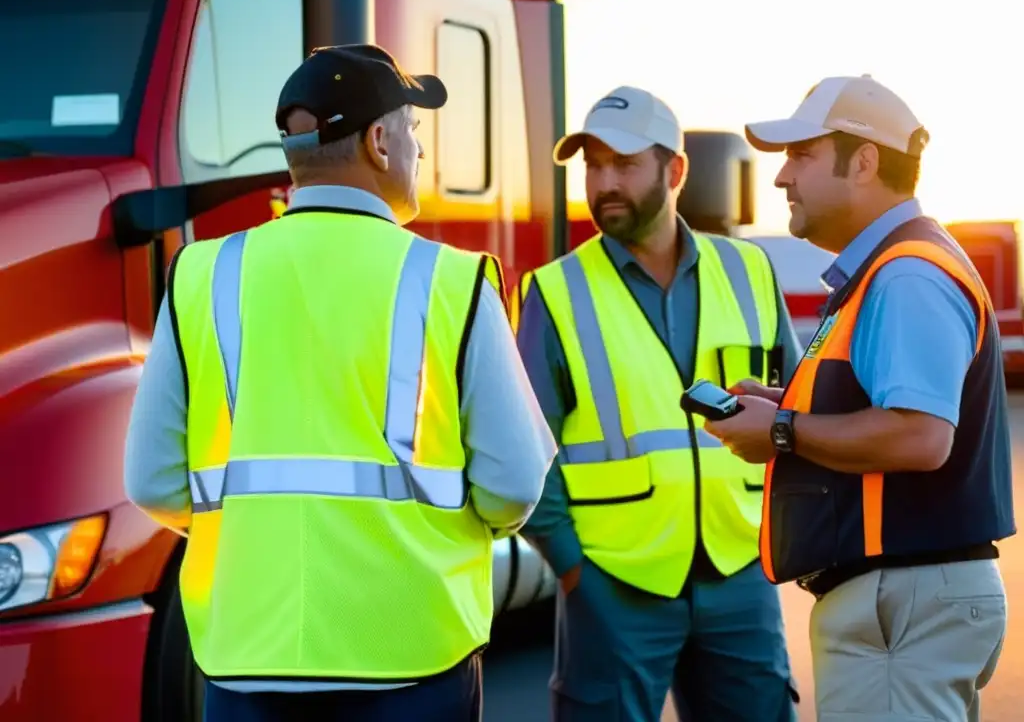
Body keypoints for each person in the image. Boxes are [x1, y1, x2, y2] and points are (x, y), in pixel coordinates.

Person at [123, 43, 556, 722]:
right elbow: (514, 487)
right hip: (414, 657)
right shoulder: (449, 280)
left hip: (245, 656)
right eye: (413, 132)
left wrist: (252, 529)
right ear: (380, 142)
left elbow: (152, 482)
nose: (419, 151)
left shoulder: (203, 275)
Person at [706, 74, 1014, 721]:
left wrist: (782, 430)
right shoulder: (892, 269)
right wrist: (782, 408)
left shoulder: (906, 274)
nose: (782, 177)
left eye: (801, 155)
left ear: (865, 162)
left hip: (902, 605)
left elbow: (919, 436)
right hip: (902, 604)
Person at [515, 85, 803, 722]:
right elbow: (524, 449)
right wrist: (571, 571)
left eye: (623, 163)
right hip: (613, 582)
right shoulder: (556, 292)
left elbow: (798, 409)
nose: (603, 182)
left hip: (739, 572)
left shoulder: (749, 271)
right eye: (592, 165)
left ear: (674, 171)